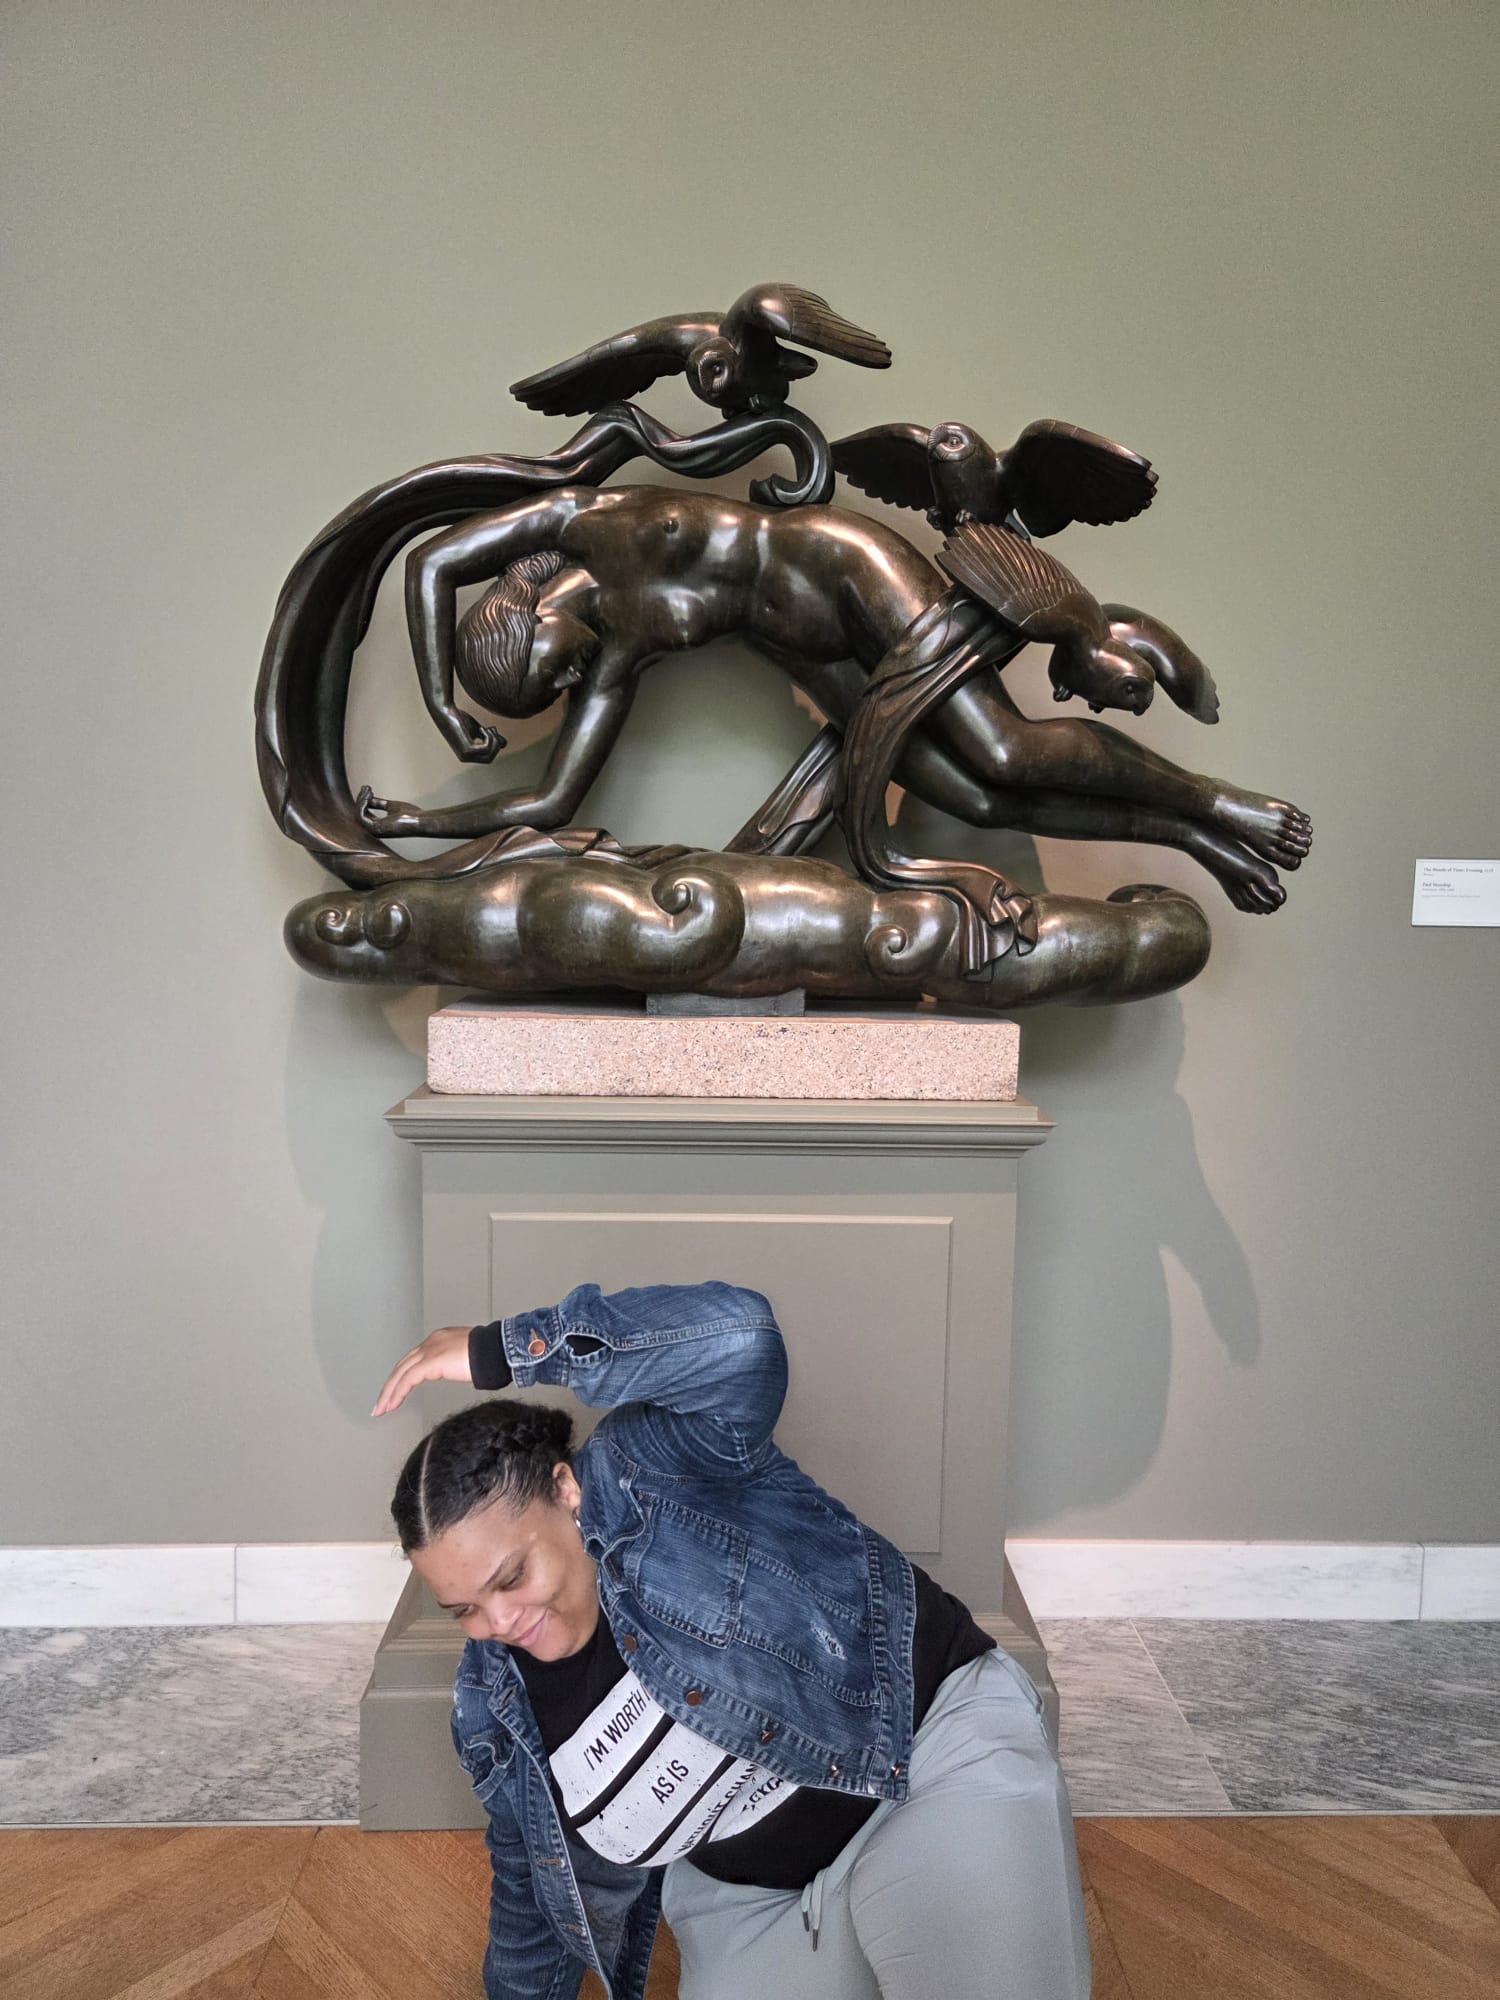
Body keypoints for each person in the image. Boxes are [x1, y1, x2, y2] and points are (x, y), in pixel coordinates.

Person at [377, 1281, 1093, 2000]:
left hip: (924, 1764)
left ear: (565, 1490)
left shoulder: (645, 1471)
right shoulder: (492, 1702)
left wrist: (502, 1349)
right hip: (758, 1908)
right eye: (464, 1609)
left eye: (511, 1578)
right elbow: (532, 1894)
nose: (500, 1623)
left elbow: (743, 1340)